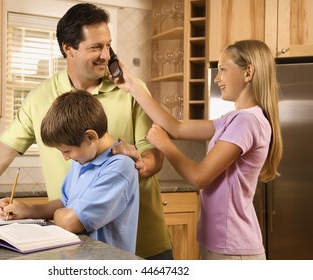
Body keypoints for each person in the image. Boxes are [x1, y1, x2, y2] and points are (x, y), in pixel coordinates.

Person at [0, 3, 173, 259]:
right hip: (76, 246)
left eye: (108, 45)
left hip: (142, 241)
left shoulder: (131, 89)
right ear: (68, 48)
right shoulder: (40, 97)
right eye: (96, 47)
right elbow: (2, 150)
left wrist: (136, 163)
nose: (106, 55)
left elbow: (154, 156)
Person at [113, 39, 283, 260]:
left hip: (233, 250)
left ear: (248, 72)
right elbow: (177, 127)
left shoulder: (247, 121)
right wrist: (133, 87)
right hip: (223, 245)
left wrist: (165, 145)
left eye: (223, 69)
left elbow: (199, 177)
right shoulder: (234, 119)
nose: (217, 78)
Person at [0, 91, 139, 253]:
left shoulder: (119, 167)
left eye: (67, 151)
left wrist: (61, 215)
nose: (66, 158)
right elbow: (66, 203)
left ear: (90, 137)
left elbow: (70, 222)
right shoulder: (84, 160)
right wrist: (27, 210)